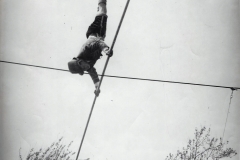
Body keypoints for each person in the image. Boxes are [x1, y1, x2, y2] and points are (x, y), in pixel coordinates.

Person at [68, 0, 113, 96]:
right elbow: (93, 75)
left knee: (103, 12)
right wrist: (97, 87)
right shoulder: (87, 65)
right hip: (95, 35)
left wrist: (106, 50)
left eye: (82, 68)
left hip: (96, 32)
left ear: (80, 62)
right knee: (101, 13)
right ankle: (99, 7)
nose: (85, 69)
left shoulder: (85, 51)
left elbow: (98, 43)